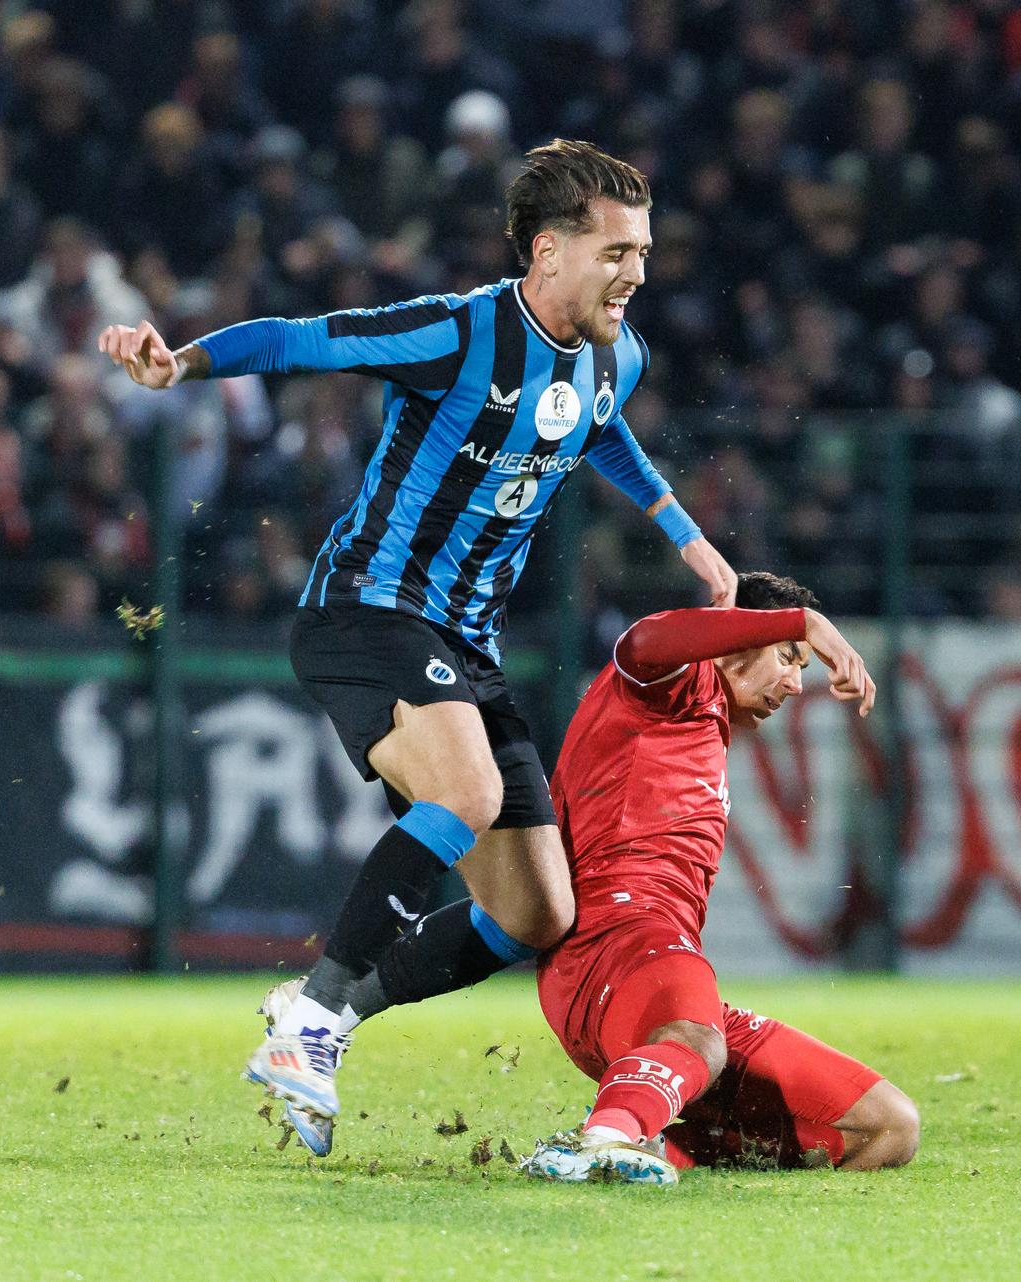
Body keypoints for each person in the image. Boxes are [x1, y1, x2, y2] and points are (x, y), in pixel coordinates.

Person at [96, 139, 738, 1155]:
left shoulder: (620, 354)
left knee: (535, 910)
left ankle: (335, 1015)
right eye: (617, 250)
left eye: (646, 250)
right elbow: (307, 338)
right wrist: (181, 363)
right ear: (547, 251)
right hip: (369, 610)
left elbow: (598, 423)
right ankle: (311, 1011)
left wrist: (686, 536)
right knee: (469, 794)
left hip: (467, 645)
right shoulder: (457, 332)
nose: (639, 272)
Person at [352, 572, 912, 1184]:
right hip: (613, 939)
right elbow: (643, 642)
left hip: (651, 969)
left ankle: (651, 1144)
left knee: (887, 1128)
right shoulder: (673, 684)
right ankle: (602, 1140)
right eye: (787, 659)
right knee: (699, 1039)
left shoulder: (703, 719)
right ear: (734, 641)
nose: (795, 684)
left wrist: (792, 636)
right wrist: (801, 623)